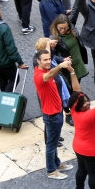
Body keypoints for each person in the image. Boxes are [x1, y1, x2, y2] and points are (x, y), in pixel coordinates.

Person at [33, 49, 74, 179]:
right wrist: (60, 66)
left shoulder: (45, 71)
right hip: (52, 115)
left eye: (49, 59)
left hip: (56, 112)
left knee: (54, 140)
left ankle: (56, 163)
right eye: (45, 60)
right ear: (38, 61)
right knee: (51, 144)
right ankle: (51, 170)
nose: (48, 61)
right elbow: (50, 74)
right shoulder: (39, 75)